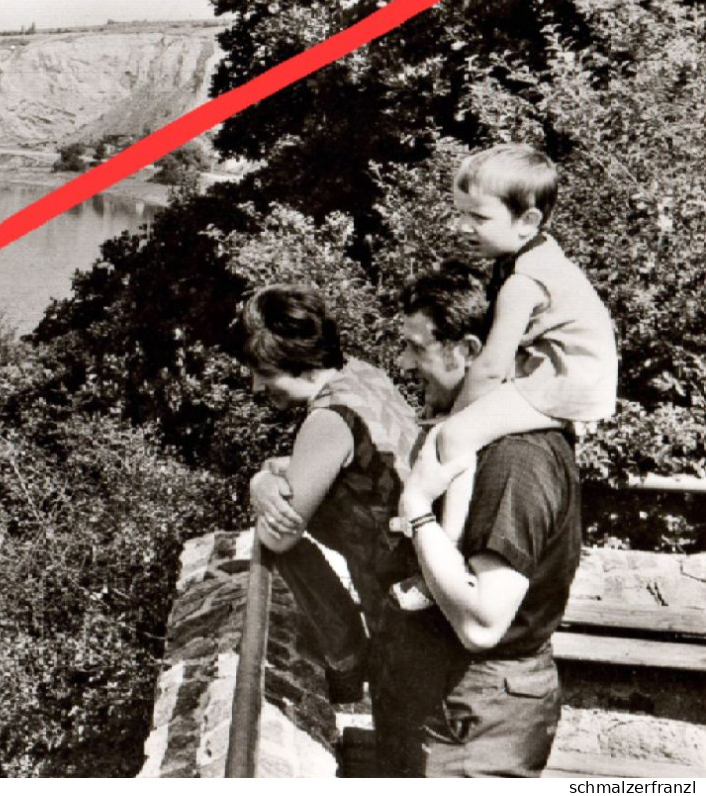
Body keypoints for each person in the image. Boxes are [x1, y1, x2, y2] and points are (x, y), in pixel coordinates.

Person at [391, 262, 582, 776]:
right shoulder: (479, 439)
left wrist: (416, 512)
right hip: (459, 703)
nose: (404, 362)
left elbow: (482, 623)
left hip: (482, 714)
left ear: (470, 351)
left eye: (416, 347)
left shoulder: (516, 459)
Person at [406, 144, 615, 604]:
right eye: (460, 213)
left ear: (528, 221)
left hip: (564, 380)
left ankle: (446, 557)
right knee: (462, 434)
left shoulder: (524, 281)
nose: (462, 227)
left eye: (478, 218)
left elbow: (492, 366)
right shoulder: (531, 257)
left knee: (456, 438)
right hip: (566, 374)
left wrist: (451, 421)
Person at [239, 285, 423, 764]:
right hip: (423, 590)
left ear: (298, 362)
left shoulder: (328, 419)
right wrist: (266, 476)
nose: (259, 388)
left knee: (407, 758)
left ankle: (345, 652)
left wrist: (260, 487)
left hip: (403, 616)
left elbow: (280, 531)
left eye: (264, 373)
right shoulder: (363, 377)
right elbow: (340, 470)